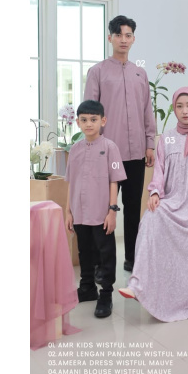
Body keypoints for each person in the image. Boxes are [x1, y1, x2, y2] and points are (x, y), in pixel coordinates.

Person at [118, 87, 188, 322]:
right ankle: (138, 285)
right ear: (174, 109)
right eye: (179, 106)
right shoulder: (167, 138)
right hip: (173, 203)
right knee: (151, 218)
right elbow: (159, 170)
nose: (184, 111)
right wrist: (155, 192)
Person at [83, 15, 156, 276]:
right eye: (118, 35)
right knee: (104, 208)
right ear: (110, 38)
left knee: (134, 208)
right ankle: (102, 264)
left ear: (133, 39)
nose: (123, 40)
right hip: (107, 154)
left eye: (128, 35)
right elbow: (89, 112)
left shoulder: (140, 73)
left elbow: (147, 111)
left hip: (136, 154)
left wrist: (150, 144)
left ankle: (133, 259)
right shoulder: (97, 72)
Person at [65, 100, 127, 318]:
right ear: (78, 122)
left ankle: (106, 294)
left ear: (103, 121)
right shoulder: (74, 150)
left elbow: (114, 180)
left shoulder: (110, 148)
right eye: (84, 120)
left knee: (105, 253)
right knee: (84, 251)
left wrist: (112, 211)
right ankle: (87, 288)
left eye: (93, 119)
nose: (89, 124)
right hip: (79, 212)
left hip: (101, 214)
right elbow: (71, 182)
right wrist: (68, 211)